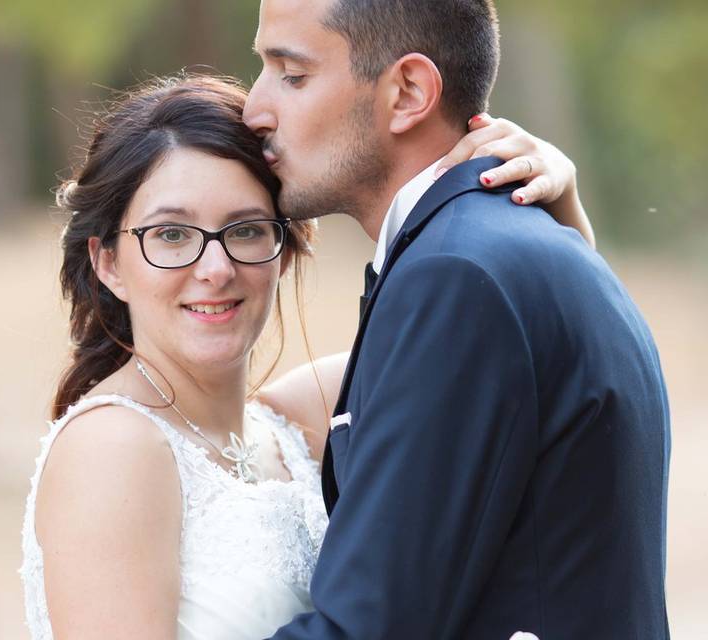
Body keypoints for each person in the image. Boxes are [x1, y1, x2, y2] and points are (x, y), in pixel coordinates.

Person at [19, 73, 596, 639]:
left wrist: (557, 205)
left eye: (244, 230)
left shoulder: (314, 413)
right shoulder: (114, 447)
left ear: (285, 252)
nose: (215, 269)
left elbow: (522, 355)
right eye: (171, 235)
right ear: (109, 263)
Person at [243, 0, 671, 638]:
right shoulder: (509, 246)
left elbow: (370, 628)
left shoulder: (457, 276)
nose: (254, 109)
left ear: (409, 92)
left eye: (292, 74)